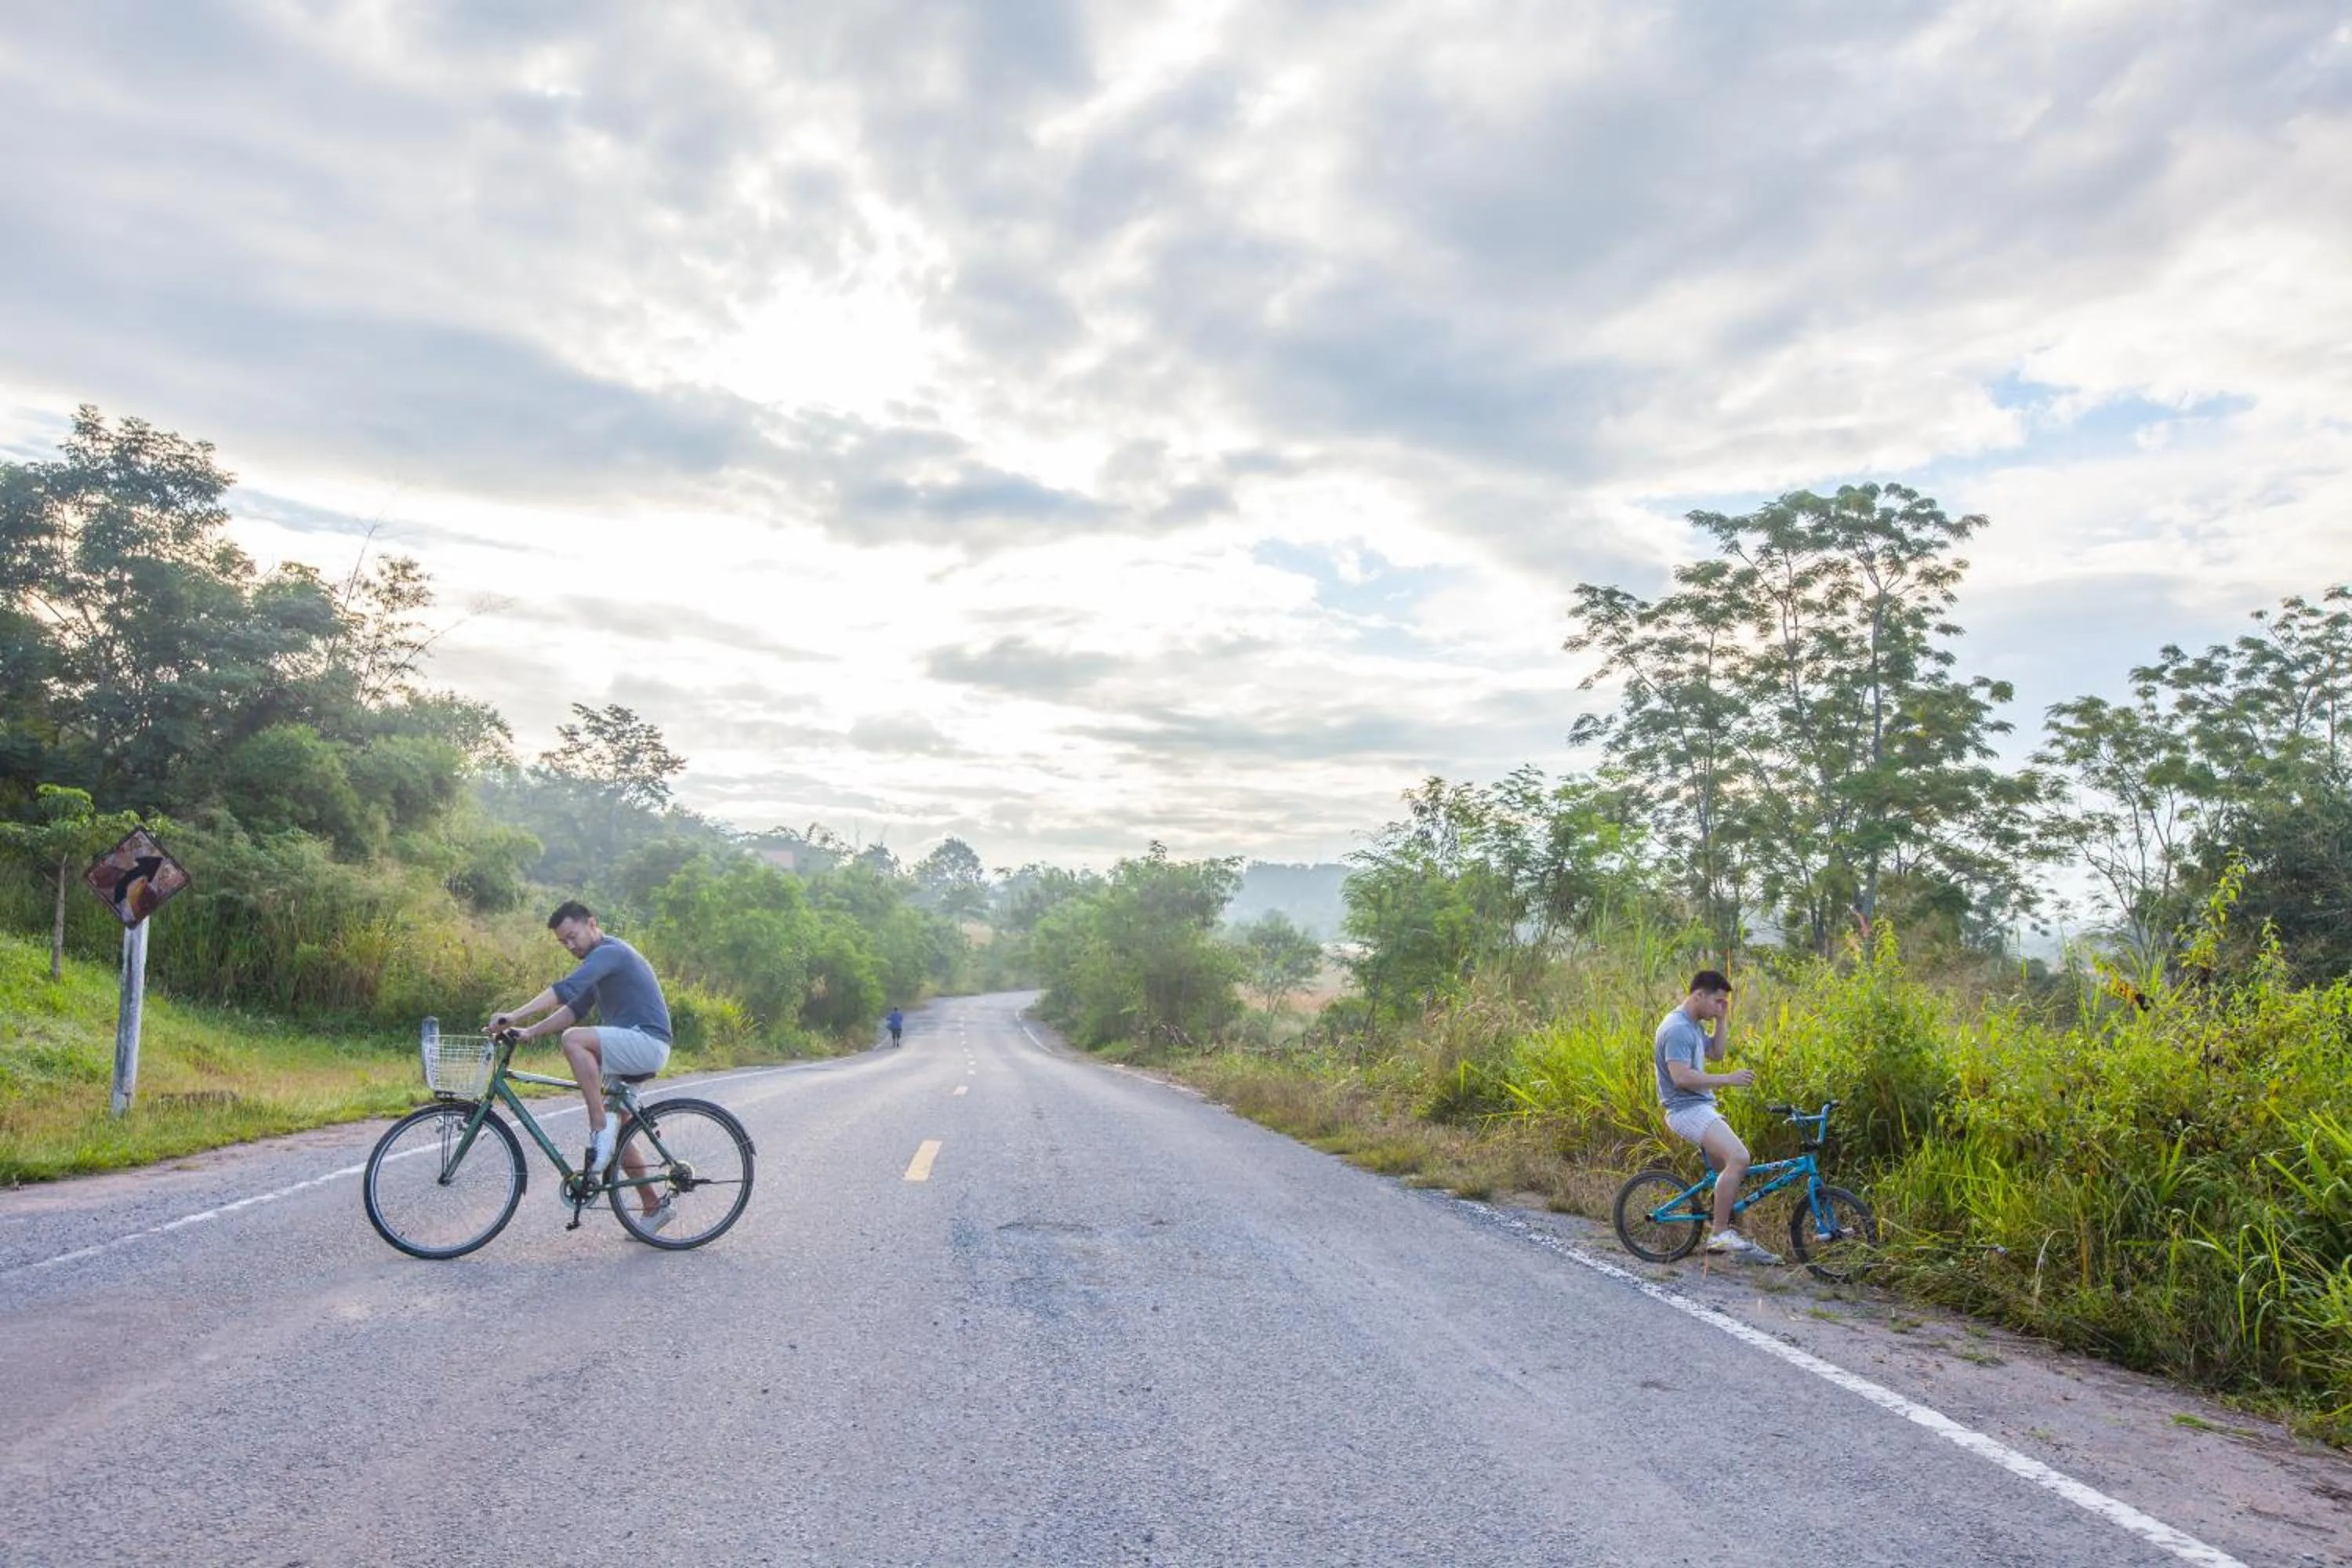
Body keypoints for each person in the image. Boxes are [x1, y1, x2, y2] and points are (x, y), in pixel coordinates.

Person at [489, 901, 675, 1229]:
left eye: (572, 936)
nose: (570, 946)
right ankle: (653, 1206)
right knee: (621, 1134)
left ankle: (597, 1123)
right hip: (634, 1044)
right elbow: (574, 1008)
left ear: (592, 923)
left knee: (574, 1040)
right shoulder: (600, 962)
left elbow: (565, 990)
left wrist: (514, 1015)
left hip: (646, 1042)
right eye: (563, 942)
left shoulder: (610, 952)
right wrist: (530, 1032)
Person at [1654, 968, 1780, 1263]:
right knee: (1739, 1158)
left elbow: (1717, 1053)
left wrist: (1722, 1020)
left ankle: (1737, 1243)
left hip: (1699, 1107)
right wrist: (1729, 1079)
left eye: (1724, 1004)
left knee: (1731, 1175)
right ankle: (1719, 1234)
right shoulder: (1677, 1029)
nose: (1721, 1007)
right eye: (1718, 1002)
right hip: (1686, 1109)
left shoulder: (1694, 1024)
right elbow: (1681, 1077)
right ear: (1699, 995)